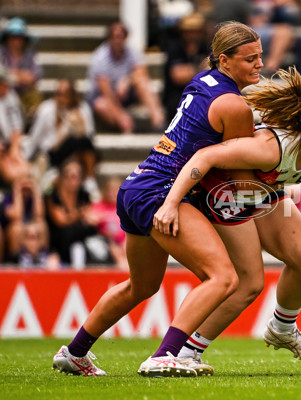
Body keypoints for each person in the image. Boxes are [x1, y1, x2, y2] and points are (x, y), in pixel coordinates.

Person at [52, 21, 262, 377]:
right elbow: (238, 175)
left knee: (142, 285)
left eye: (260, 57)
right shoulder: (234, 106)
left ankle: (74, 353)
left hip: (136, 186)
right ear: (224, 60)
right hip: (161, 192)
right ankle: (165, 355)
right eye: (250, 59)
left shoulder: (203, 80)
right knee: (223, 277)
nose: (259, 64)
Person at [152, 67, 301, 367]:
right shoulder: (268, 149)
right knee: (248, 283)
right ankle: (185, 352)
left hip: (262, 194)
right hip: (222, 193)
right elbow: (205, 157)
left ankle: (282, 329)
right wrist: (170, 204)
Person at [24, 79, 99, 196]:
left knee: (82, 142)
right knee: (78, 141)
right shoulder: (47, 109)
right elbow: (35, 136)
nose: (61, 98)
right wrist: (26, 157)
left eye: (65, 94)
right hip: (52, 153)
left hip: (78, 150)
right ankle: (88, 180)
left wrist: (80, 124)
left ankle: (89, 180)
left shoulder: (83, 108)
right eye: (59, 94)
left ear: (72, 95)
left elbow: (90, 134)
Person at [87, 21, 165, 133]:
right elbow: (106, 93)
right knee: (100, 105)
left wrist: (127, 81)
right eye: (116, 36)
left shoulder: (132, 51)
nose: (119, 40)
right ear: (109, 38)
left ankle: (158, 122)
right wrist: (121, 116)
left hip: (125, 95)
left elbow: (142, 74)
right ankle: (125, 126)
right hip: (104, 98)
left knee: (143, 83)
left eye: (121, 36)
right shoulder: (99, 58)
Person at [44, 159, 101, 268]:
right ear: (62, 178)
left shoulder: (84, 194)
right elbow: (60, 221)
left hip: (77, 235)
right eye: (68, 176)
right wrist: (80, 214)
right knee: (69, 233)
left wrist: (76, 216)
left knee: (88, 233)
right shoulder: (53, 194)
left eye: (75, 177)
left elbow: (89, 217)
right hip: (56, 238)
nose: (71, 181)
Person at [162, 12, 210, 120]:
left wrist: (191, 70)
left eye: (197, 31)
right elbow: (178, 76)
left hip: (201, 95)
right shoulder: (175, 48)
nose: (193, 35)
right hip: (177, 96)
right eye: (190, 31)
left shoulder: (205, 48)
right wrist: (201, 69)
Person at [0, 17, 43, 117]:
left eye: (19, 37)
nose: (16, 41)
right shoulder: (1, 53)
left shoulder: (31, 54)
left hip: (26, 93)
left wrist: (11, 75)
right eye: (13, 37)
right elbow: (2, 76)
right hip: (5, 93)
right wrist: (23, 75)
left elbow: (35, 76)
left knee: (37, 102)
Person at [0, 65, 29, 185]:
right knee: (13, 174)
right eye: (5, 84)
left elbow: (16, 124)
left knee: (25, 171)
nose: (7, 87)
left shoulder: (10, 95)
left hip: (9, 145)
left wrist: (14, 148)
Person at [90, 176, 127, 269]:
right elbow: (91, 218)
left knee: (127, 244)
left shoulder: (124, 207)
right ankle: (123, 268)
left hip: (123, 239)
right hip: (107, 240)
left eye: (115, 190)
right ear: (105, 191)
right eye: (110, 189)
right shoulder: (99, 205)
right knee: (114, 247)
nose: (112, 193)